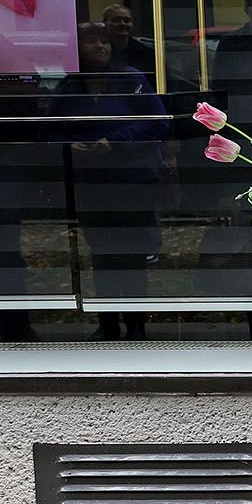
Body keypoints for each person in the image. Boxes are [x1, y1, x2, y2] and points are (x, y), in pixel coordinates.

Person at [55, 22, 168, 340]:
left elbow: (158, 123)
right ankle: (107, 323)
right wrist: (69, 145)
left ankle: (135, 325)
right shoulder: (69, 86)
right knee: (101, 255)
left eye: (105, 41)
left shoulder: (129, 78)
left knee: (131, 255)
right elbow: (49, 128)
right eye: (92, 42)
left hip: (131, 182)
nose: (100, 47)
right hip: (91, 184)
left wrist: (114, 141)